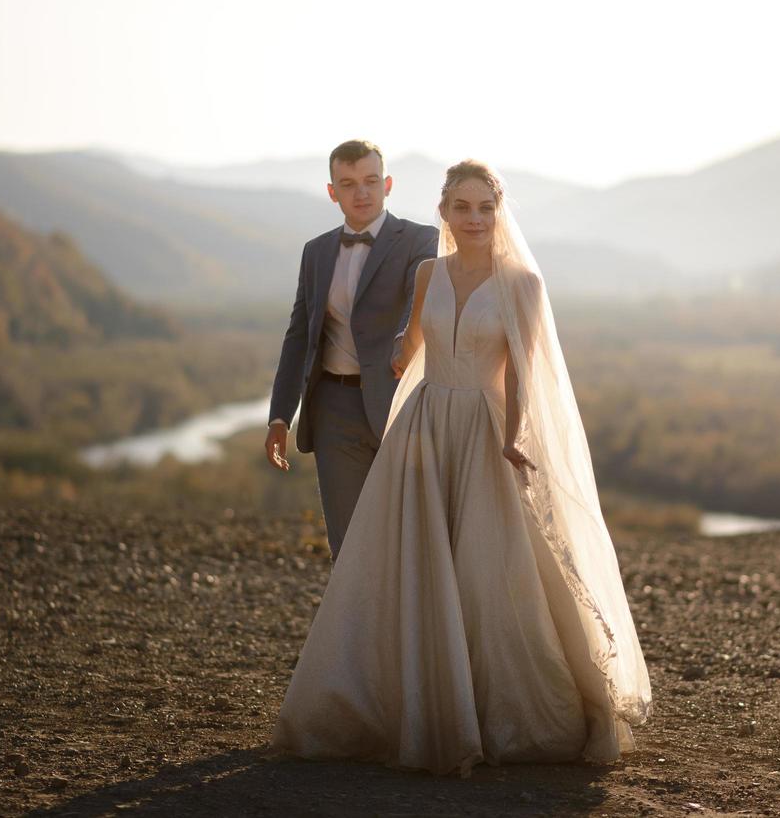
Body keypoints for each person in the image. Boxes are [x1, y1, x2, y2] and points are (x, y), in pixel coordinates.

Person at [271, 160, 651, 775]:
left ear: (499, 213)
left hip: (484, 430)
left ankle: (496, 710)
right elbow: (414, 343)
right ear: (444, 212)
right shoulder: (428, 273)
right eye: (462, 207)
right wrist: (393, 354)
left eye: (485, 208)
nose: (474, 219)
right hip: (423, 426)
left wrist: (516, 436)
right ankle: (409, 703)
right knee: (412, 560)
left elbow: (526, 375)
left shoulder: (522, 283)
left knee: (487, 567)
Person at [265, 140, 440, 560]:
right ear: (332, 192)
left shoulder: (421, 240)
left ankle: (409, 626)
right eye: (348, 184)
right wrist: (279, 416)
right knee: (348, 542)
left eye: (370, 181)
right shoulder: (317, 252)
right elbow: (298, 337)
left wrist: (405, 341)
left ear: (388, 184)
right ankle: (356, 626)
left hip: (402, 405)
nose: (361, 193)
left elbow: (419, 306)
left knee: (411, 536)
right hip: (333, 410)